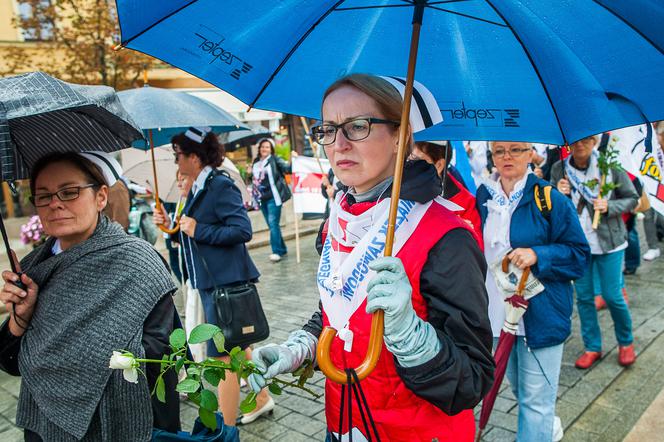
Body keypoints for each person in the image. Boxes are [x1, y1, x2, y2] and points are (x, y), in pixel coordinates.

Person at [248, 74, 494, 441]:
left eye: (358, 126)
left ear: (400, 135)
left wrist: (411, 334)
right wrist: (300, 348)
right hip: (345, 424)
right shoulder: (338, 218)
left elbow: (472, 381)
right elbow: (336, 312)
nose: (339, 144)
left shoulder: (448, 237)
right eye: (328, 129)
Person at [0, 152, 179, 441]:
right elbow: (9, 362)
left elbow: (160, 358)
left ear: (101, 197)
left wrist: (72, 354)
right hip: (43, 426)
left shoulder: (137, 262)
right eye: (43, 196)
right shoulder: (32, 270)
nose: (55, 203)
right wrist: (21, 320)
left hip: (116, 425)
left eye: (69, 192)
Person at [153, 127, 272, 427]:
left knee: (221, 358)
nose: (176, 161)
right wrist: (171, 225)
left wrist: (199, 229)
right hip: (210, 284)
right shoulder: (197, 187)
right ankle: (262, 399)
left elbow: (242, 230)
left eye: (178, 155)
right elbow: (193, 232)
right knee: (237, 350)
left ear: (194, 156)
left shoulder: (220, 185)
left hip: (225, 285)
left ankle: (226, 428)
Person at [476, 141, 590, 442]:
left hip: (541, 315)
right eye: (499, 151)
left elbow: (579, 255)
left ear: (530, 154)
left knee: (536, 402)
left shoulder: (548, 197)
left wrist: (539, 254)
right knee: (519, 389)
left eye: (515, 149)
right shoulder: (484, 196)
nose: (507, 157)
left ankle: (539, 429)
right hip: (499, 316)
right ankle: (542, 428)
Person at [551, 135, 639, 369]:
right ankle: (593, 346)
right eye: (576, 141)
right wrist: (557, 193)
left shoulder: (609, 167)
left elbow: (632, 199)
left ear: (595, 142)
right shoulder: (559, 169)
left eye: (586, 140)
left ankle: (626, 342)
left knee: (612, 296)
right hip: (578, 245)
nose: (580, 145)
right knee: (585, 298)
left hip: (610, 242)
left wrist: (610, 206)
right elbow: (550, 206)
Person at [412, 140, 483, 247]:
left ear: (439, 165)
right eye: (409, 159)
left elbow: (477, 247)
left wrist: (459, 232)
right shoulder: (397, 189)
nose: (409, 166)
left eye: (417, 161)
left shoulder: (464, 202)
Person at [251, 138, 292, 262]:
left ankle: (276, 252)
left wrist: (291, 159)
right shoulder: (256, 162)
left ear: (271, 149)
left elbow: (287, 169)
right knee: (272, 225)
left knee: (273, 223)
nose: (265, 149)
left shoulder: (274, 159)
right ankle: (282, 249)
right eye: (263, 147)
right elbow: (256, 180)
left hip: (274, 198)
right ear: (259, 149)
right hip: (261, 198)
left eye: (267, 147)